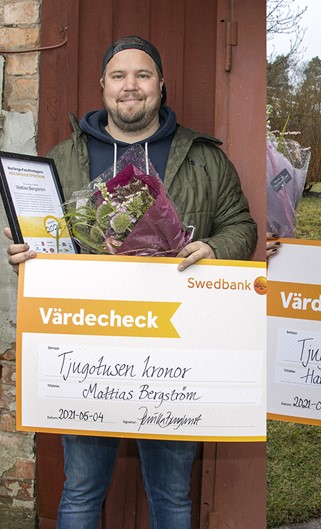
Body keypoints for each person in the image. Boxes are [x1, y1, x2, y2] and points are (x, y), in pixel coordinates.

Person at [5, 36, 256, 528]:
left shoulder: (203, 156)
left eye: (142, 75)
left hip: (175, 353)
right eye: (119, 76)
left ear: (162, 86)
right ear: (102, 86)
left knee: (172, 497)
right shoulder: (64, 156)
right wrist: (28, 255)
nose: (130, 87)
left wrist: (215, 248)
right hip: (89, 351)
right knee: (79, 493)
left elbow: (241, 226)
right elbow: (47, 240)